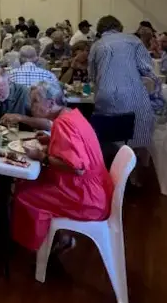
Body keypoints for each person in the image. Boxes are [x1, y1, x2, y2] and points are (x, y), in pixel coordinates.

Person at [11, 80, 113, 253]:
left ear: (51, 103)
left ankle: (41, 247)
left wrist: (42, 157)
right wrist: (51, 140)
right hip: (97, 188)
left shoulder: (62, 123)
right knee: (26, 183)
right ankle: (60, 237)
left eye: (35, 101)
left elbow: (78, 168)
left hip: (86, 197)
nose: (31, 106)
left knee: (24, 194)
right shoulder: (71, 114)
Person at [88, 15, 156, 149]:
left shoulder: (96, 45)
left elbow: (92, 75)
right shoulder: (133, 40)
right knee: (138, 132)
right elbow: (147, 68)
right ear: (119, 27)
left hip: (105, 96)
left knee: (108, 137)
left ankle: (110, 154)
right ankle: (135, 155)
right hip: (133, 94)